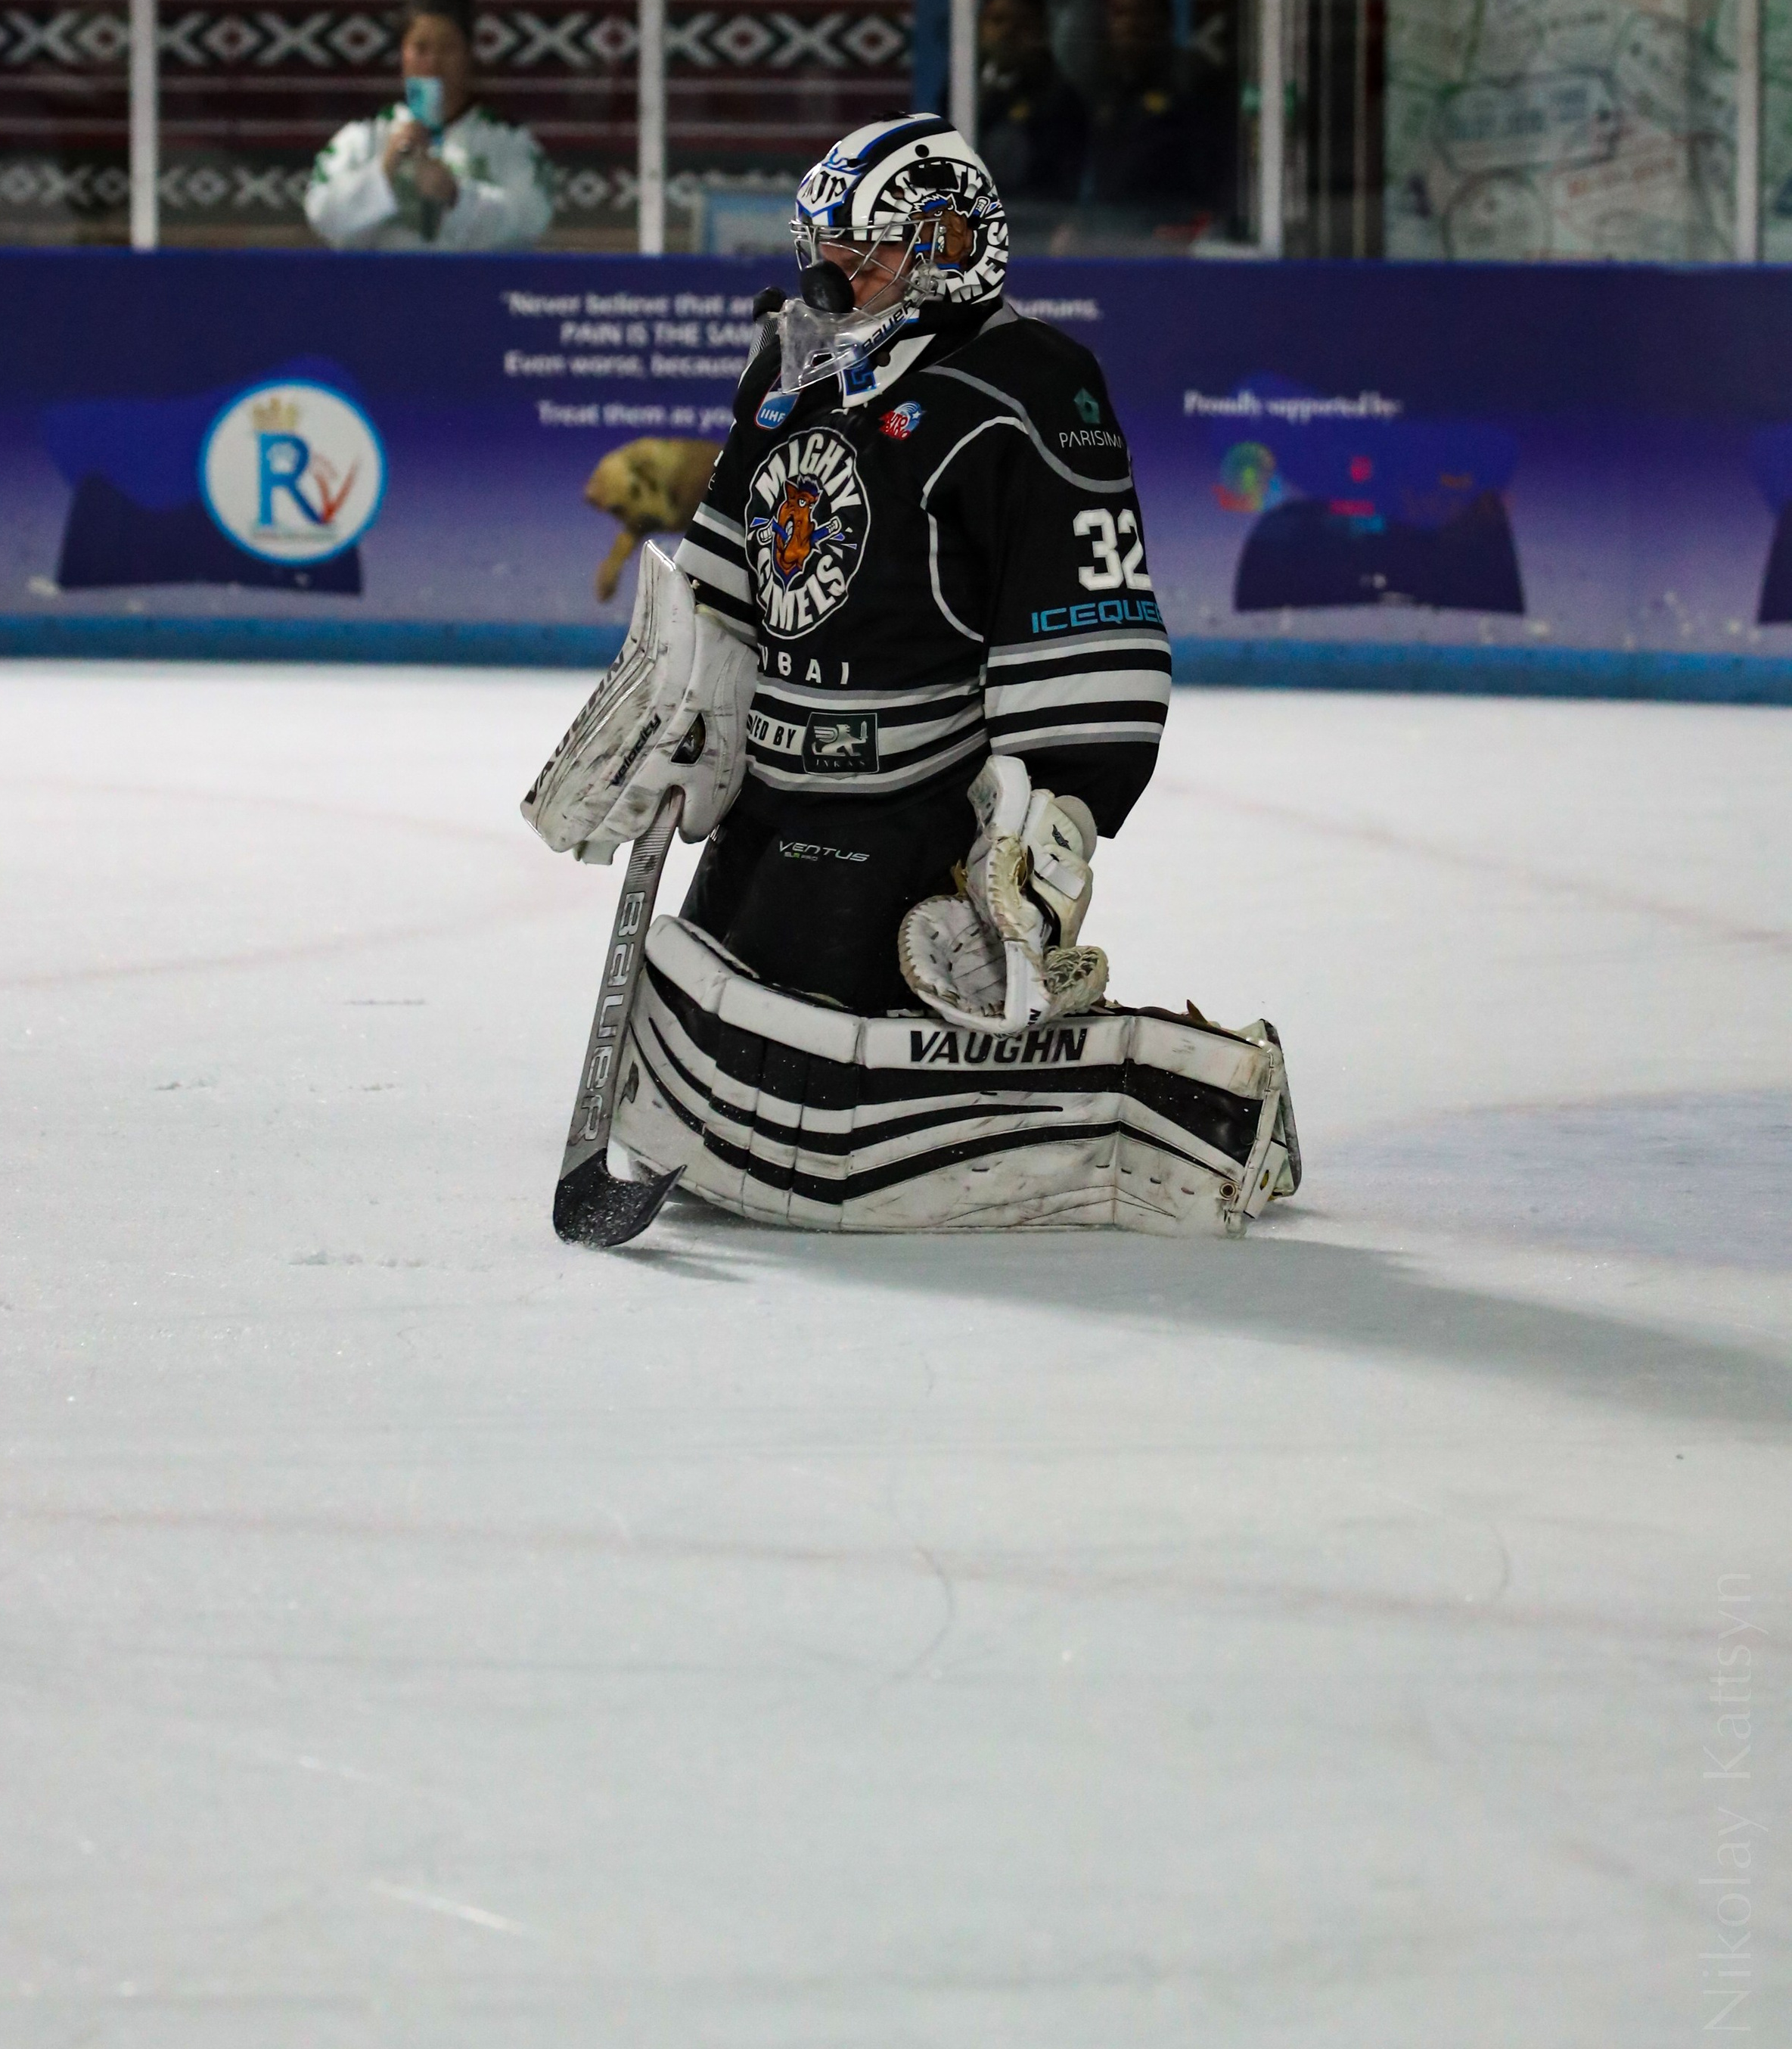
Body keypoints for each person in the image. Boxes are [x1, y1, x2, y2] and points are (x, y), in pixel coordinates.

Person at [521, 115, 1298, 1240]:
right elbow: (726, 574)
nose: (833, 277)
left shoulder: (1030, 384)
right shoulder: (795, 372)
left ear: (948, 244)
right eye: (825, 250)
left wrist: (1050, 827)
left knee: (828, 1073)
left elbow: (1092, 625)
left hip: (910, 809)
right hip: (776, 799)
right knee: (712, 1043)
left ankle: (1212, 1109)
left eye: (866, 252)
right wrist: (678, 713)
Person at [305, 0, 554, 251]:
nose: (433, 63)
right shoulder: (365, 136)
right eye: (420, 48)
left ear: (469, 54)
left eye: (448, 48)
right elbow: (323, 217)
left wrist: (456, 197)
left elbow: (530, 224)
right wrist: (384, 170)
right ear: (402, 54)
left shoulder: (507, 141)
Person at [1079, 0, 1232, 235]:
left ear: (1166, 21)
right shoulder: (1105, 85)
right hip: (1111, 231)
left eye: (1142, 13)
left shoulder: (1193, 80)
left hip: (1172, 232)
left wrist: (1199, 225)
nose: (1130, 24)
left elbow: (1217, 172)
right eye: (1120, 14)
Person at [974, 0, 1088, 206]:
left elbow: (1068, 180)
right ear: (980, 28)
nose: (1008, 32)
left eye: (1022, 25)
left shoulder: (1059, 99)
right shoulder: (962, 90)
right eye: (997, 21)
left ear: (1041, 32)